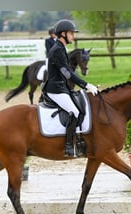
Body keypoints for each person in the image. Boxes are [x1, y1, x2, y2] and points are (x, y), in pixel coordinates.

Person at [43, 19, 98, 157]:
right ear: (63, 34)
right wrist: (86, 85)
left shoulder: (62, 48)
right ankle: (68, 146)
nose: (73, 36)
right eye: (71, 33)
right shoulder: (57, 50)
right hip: (55, 89)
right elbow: (67, 73)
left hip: (62, 88)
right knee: (74, 111)